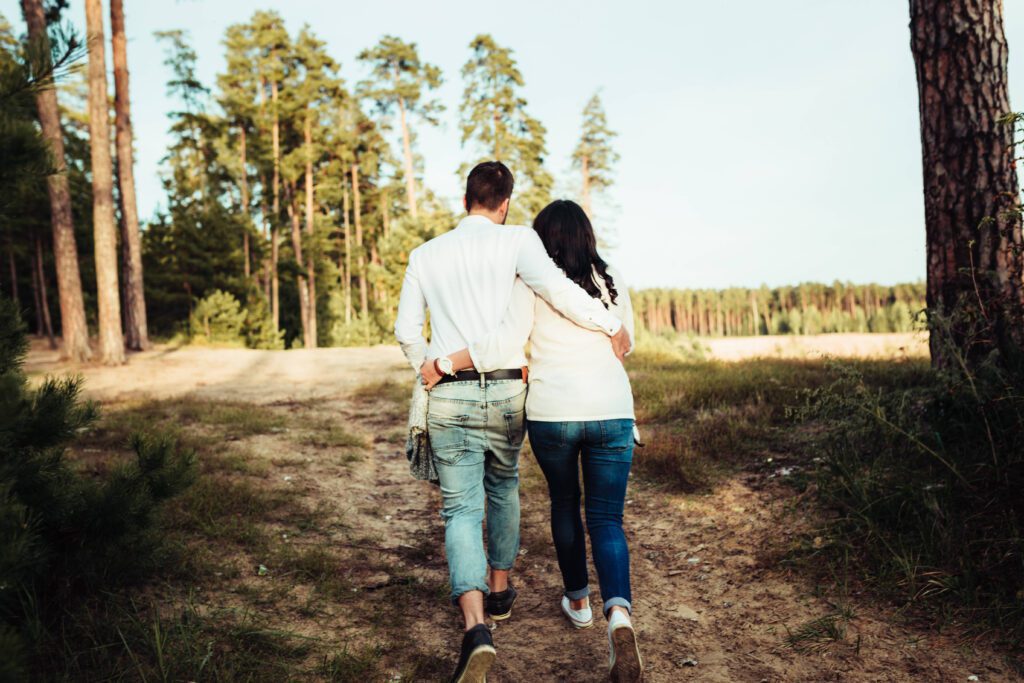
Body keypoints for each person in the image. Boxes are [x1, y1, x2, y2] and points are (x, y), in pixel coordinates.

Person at [394, 163, 631, 683]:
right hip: (506, 388)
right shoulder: (518, 241)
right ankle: (500, 590)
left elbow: (406, 329)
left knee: (459, 509)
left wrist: (428, 367)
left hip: (449, 393)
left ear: (465, 199)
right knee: (503, 487)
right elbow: (563, 294)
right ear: (505, 203)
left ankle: (476, 626)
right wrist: (611, 322)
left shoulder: (424, 255)